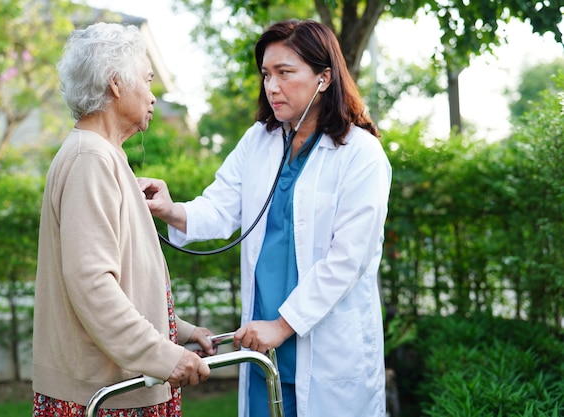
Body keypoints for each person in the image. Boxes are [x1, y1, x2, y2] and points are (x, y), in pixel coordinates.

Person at [143, 19, 391, 417]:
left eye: (284, 73)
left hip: (324, 348)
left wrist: (282, 324)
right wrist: (172, 210)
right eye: (266, 74)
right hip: (264, 349)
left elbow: (349, 258)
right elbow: (222, 206)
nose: (271, 87)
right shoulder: (259, 140)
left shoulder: (360, 154)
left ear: (324, 78)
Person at [32, 22, 215, 417]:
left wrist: (180, 331)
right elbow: (92, 285)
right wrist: (162, 355)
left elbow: (124, 283)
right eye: (147, 81)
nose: (152, 96)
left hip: (115, 385)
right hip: (105, 394)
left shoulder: (100, 156)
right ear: (116, 83)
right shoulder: (90, 159)